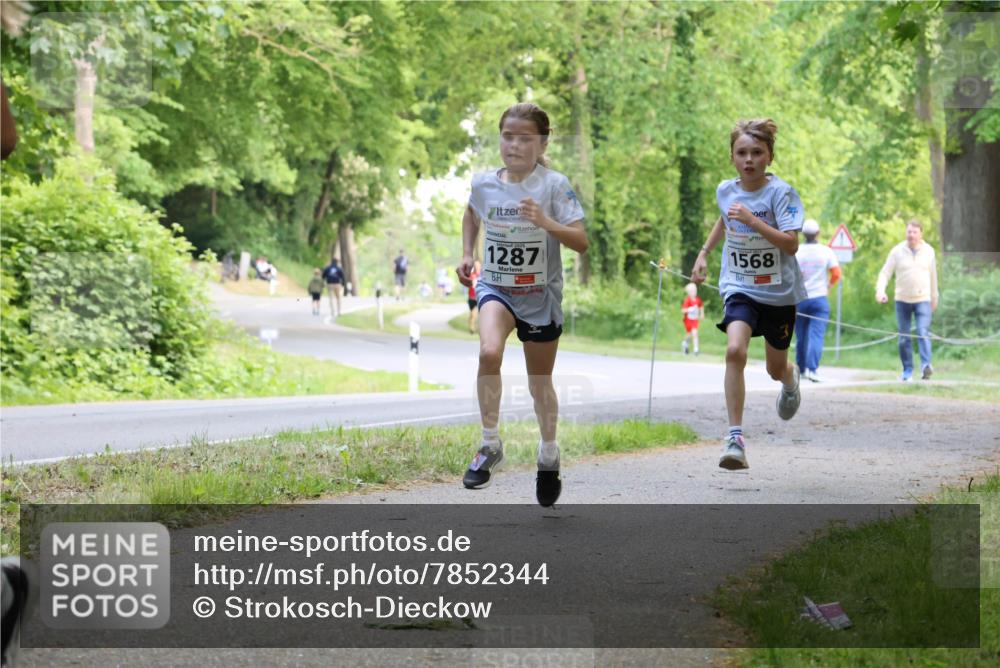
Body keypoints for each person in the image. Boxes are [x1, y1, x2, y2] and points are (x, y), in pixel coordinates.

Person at [456, 102, 588, 507]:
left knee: (539, 383)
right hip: (496, 289)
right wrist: (467, 253)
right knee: (488, 351)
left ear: (542, 143)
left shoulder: (554, 186)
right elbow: (471, 214)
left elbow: (581, 241)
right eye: (507, 136)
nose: (514, 145)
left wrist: (545, 222)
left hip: (540, 297)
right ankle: (489, 443)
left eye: (524, 138)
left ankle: (548, 453)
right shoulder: (484, 183)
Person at [691, 118, 806, 471]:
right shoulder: (726, 191)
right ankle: (735, 438)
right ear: (732, 157)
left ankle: (790, 379)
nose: (749, 160)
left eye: (757, 152)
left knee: (774, 368)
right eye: (742, 153)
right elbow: (725, 219)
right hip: (740, 286)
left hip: (778, 293)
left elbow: (791, 244)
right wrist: (704, 253)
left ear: (769, 156)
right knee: (734, 351)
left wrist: (754, 221)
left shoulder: (781, 194)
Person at [875, 219, 939, 381]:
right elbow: (885, 273)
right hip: (902, 300)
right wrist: (880, 291)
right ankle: (907, 371)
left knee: (922, 332)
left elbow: (933, 276)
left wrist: (934, 297)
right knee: (904, 337)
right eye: (909, 232)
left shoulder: (929, 251)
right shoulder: (897, 251)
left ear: (921, 234)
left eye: (914, 232)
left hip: (923, 299)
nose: (911, 235)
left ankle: (926, 366)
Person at [794, 219, 841, 382]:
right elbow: (836, 273)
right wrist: (829, 285)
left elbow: (789, 275)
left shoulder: (797, 251)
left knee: (801, 336)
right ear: (818, 233)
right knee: (816, 335)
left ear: (803, 234)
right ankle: (812, 369)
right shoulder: (826, 251)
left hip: (800, 299)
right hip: (819, 299)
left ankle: (800, 370)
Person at [680, 282, 704, 355]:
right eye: (691, 291)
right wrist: (690, 309)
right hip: (688, 320)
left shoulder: (698, 300)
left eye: (694, 291)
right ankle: (685, 342)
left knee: (695, 333)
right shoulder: (687, 300)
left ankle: (696, 349)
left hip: (695, 320)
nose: (694, 292)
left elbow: (701, 306)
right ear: (689, 293)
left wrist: (702, 313)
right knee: (690, 334)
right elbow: (683, 310)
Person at [467, 260, 481, 333]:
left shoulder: (482, 275)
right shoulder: (472, 275)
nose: (476, 267)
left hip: (478, 298)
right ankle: (471, 326)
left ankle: (472, 328)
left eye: (478, 265)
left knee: (474, 313)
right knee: (472, 313)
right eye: (475, 266)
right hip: (471, 298)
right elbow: (471, 285)